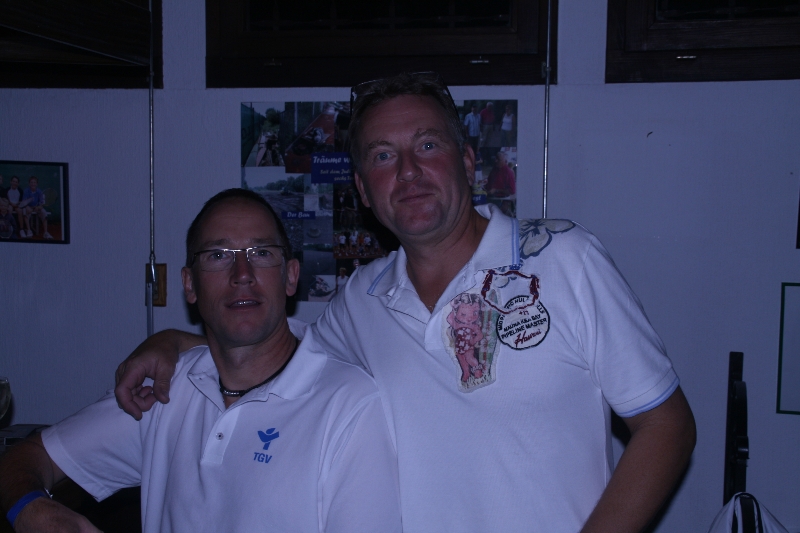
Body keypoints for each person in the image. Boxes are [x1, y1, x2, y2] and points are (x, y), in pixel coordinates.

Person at [115, 72, 696, 533]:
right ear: (364, 192)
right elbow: (278, 355)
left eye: (427, 145)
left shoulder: (564, 259)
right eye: (383, 156)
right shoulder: (360, 300)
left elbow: (666, 426)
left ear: (466, 162)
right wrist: (176, 341)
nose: (410, 172)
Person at [0, 189, 401, 533]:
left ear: (291, 276)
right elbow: (21, 461)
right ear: (189, 285)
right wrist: (32, 511)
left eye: (261, 253)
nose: (241, 273)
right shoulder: (165, 391)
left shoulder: (350, 407)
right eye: (218, 255)